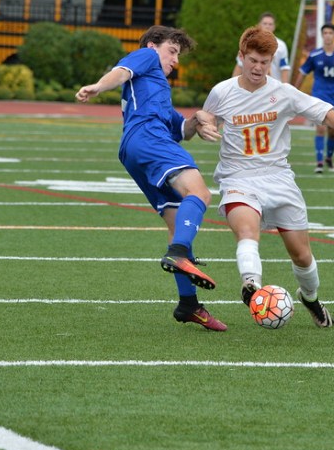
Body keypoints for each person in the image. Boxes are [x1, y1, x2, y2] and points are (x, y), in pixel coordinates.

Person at [203, 25, 334, 327]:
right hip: (238, 176)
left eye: (265, 62)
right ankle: (251, 285)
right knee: (247, 232)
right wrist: (204, 123)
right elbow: (207, 117)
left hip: (278, 177)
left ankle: (310, 298)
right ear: (241, 56)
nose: (258, 68)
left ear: (272, 61)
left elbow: (327, 115)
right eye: (253, 60)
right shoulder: (222, 91)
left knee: (301, 255)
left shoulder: (284, 93)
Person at [76, 25, 227, 331]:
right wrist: (98, 87)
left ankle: (188, 304)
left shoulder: (157, 90)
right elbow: (121, 72)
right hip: (148, 138)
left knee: (177, 221)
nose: (176, 60)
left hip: (135, 147)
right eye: (172, 51)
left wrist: (197, 119)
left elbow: (182, 131)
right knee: (200, 193)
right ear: (153, 46)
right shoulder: (146, 57)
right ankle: (179, 253)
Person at [294, 23, 334, 173]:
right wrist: (294, 91)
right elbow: (302, 73)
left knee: (333, 131)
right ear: (322, 35)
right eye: (325, 33)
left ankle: (329, 158)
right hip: (319, 96)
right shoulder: (314, 55)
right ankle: (319, 163)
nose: (328, 35)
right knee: (320, 128)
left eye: (330, 33)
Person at [231, 12, 291, 83]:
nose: (267, 26)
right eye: (265, 23)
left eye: (270, 24)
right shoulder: (249, 42)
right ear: (259, 25)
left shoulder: (281, 45)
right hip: (252, 84)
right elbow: (240, 64)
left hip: (273, 86)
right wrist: (233, 84)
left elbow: (284, 68)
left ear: (274, 27)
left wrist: (284, 86)